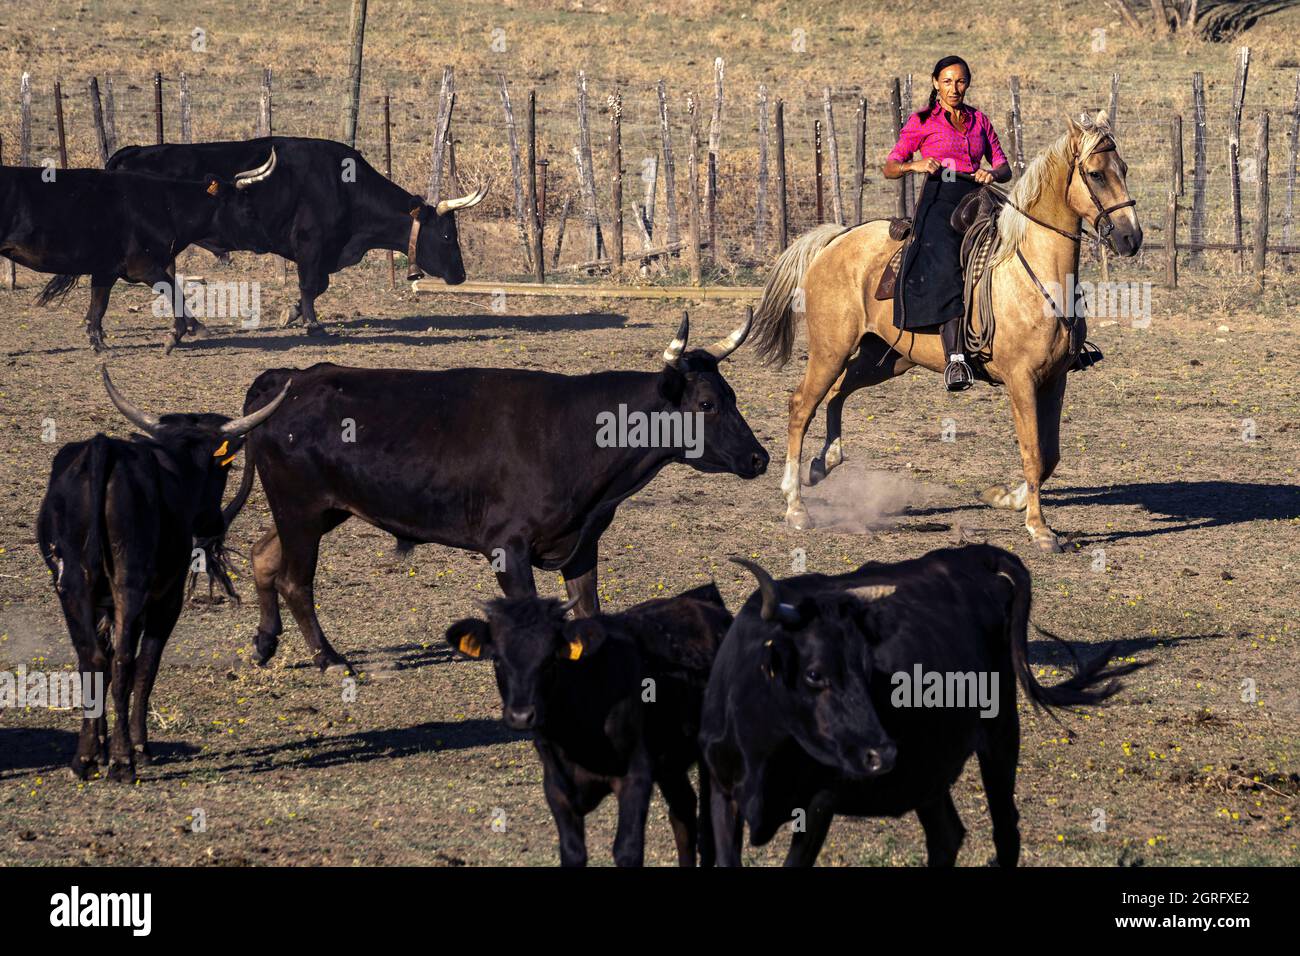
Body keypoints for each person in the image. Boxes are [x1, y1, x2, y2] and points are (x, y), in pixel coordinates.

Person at [883, 55, 1011, 391]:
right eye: (948, 81)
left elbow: (1004, 165)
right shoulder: (922, 120)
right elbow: (891, 166)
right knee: (947, 259)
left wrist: (991, 172)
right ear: (936, 83)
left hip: (979, 195)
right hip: (940, 197)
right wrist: (916, 164)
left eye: (961, 81)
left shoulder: (979, 120)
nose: (955, 88)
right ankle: (955, 360)